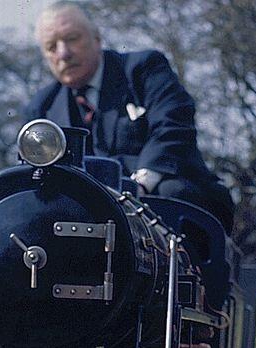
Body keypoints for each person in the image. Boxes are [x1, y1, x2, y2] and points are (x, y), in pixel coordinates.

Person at [25, 1, 235, 234]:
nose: (63, 53)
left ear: (97, 38)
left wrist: (138, 188)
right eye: (51, 47)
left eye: (72, 38)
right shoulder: (42, 108)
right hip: (88, 216)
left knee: (172, 195)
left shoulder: (144, 69)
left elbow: (172, 125)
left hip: (161, 193)